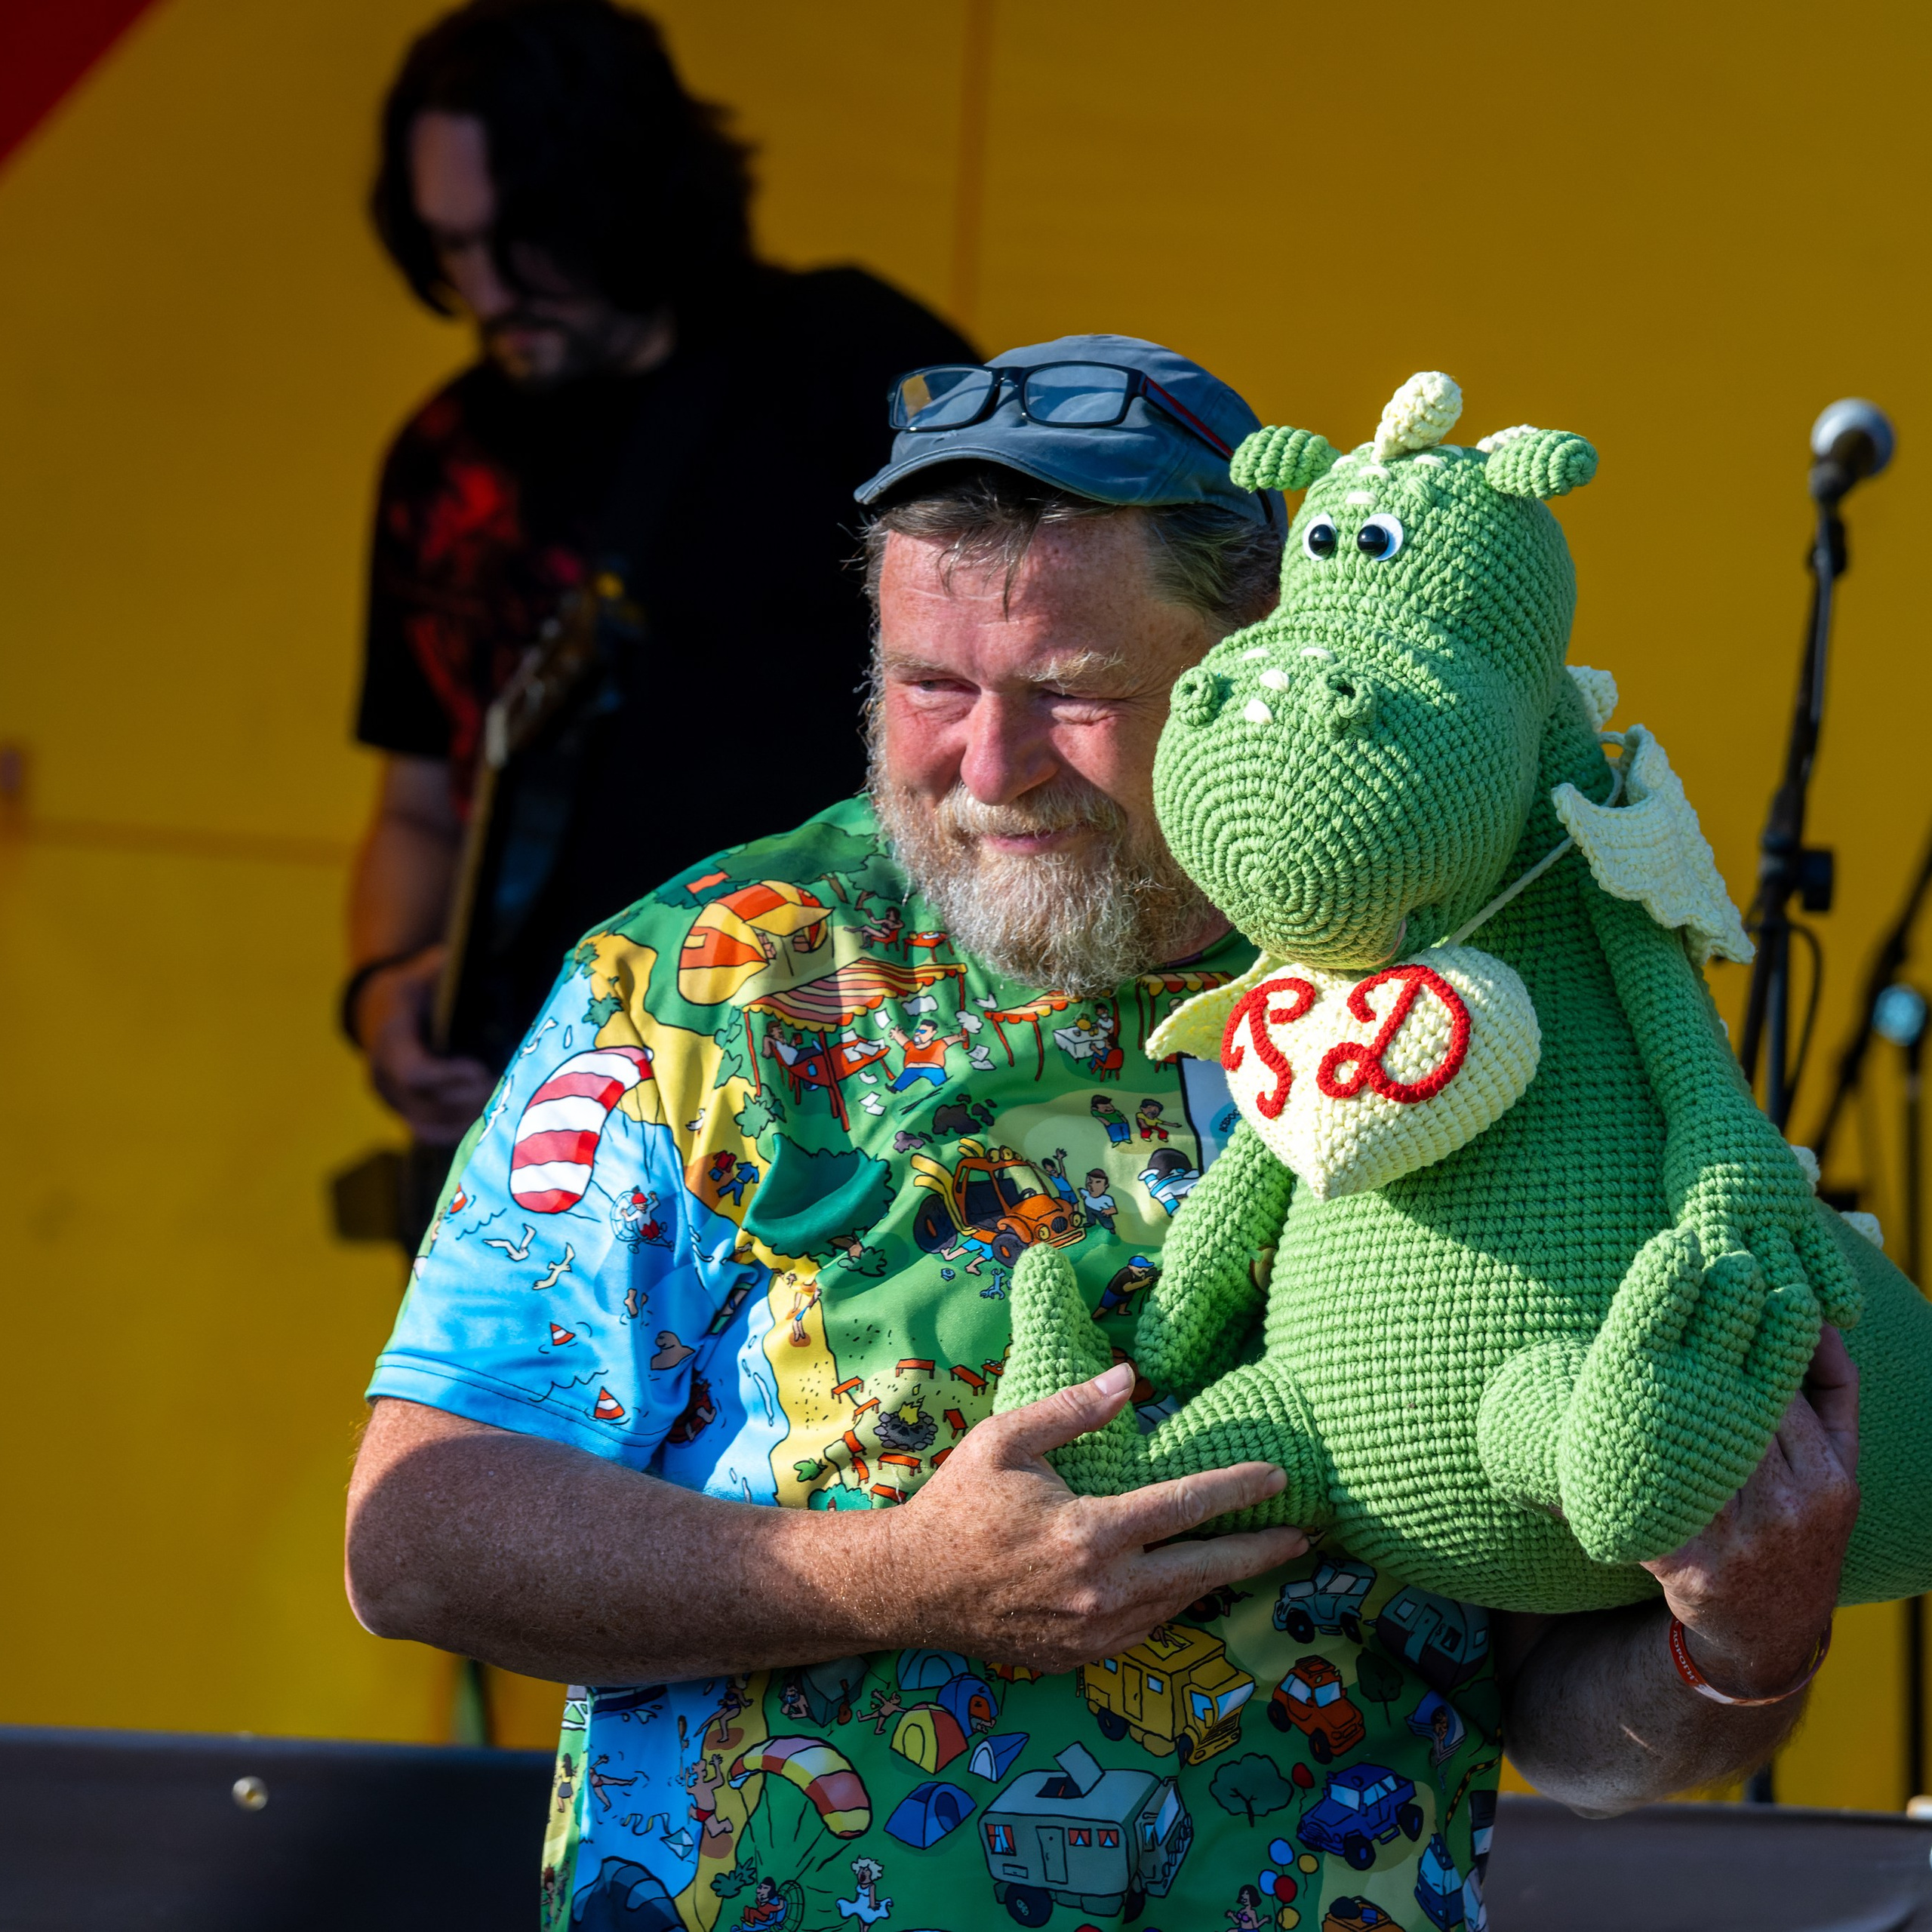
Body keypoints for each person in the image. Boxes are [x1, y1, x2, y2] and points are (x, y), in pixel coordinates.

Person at [346, 335, 1861, 1929]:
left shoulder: (1482, 989)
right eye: (930, 687)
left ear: (1259, 656)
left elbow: (1572, 1718)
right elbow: (422, 1533)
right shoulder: (710, 979)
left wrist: (1740, 1637)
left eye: (1073, 696)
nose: (990, 768)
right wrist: (904, 1577)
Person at [343, 0, 972, 1228]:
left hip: (848, 1097)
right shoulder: (444, 468)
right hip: (560, 1135)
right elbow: (418, 806)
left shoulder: (850, 365)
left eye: (523, 240)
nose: (486, 292)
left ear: (625, 189)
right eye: (450, 249)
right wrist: (378, 994)